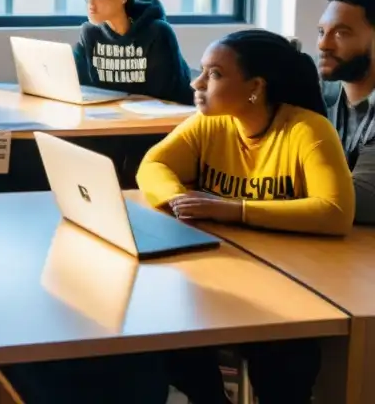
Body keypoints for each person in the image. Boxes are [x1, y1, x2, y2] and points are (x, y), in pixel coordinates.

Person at [137, 28, 355, 404]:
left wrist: (232, 210)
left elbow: (335, 212)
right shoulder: (211, 122)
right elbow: (152, 165)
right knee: (163, 327)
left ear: (255, 87)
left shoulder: (307, 130)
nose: (197, 81)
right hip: (228, 274)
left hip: (294, 287)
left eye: (215, 74)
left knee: (285, 361)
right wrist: (179, 201)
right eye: (203, 70)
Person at [74, 0, 194, 105]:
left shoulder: (158, 34)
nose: (90, 4)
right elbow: (77, 88)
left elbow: (167, 99)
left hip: (157, 125)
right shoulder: (89, 34)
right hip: (108, 121)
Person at [317, 0, 375, 224]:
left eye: (341, 33)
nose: (323, 44)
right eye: (321, 31)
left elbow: (360, 202)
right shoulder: (318, 94)